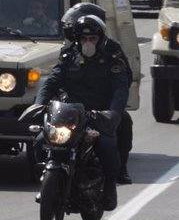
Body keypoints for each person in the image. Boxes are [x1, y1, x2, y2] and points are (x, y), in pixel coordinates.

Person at [34, 12, 131, 209]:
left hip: (99, 113)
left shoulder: (112, 55)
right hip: (69, 112)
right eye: (84, 38)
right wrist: (38, 104)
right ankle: (46, 180)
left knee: (107, 145)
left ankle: (110, 185)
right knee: (39, 141)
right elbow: (52, 80)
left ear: (100, 38)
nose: (88, 42)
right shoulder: (70, 55)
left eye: (92, 38)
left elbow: (121, 88)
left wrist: (112, 113)